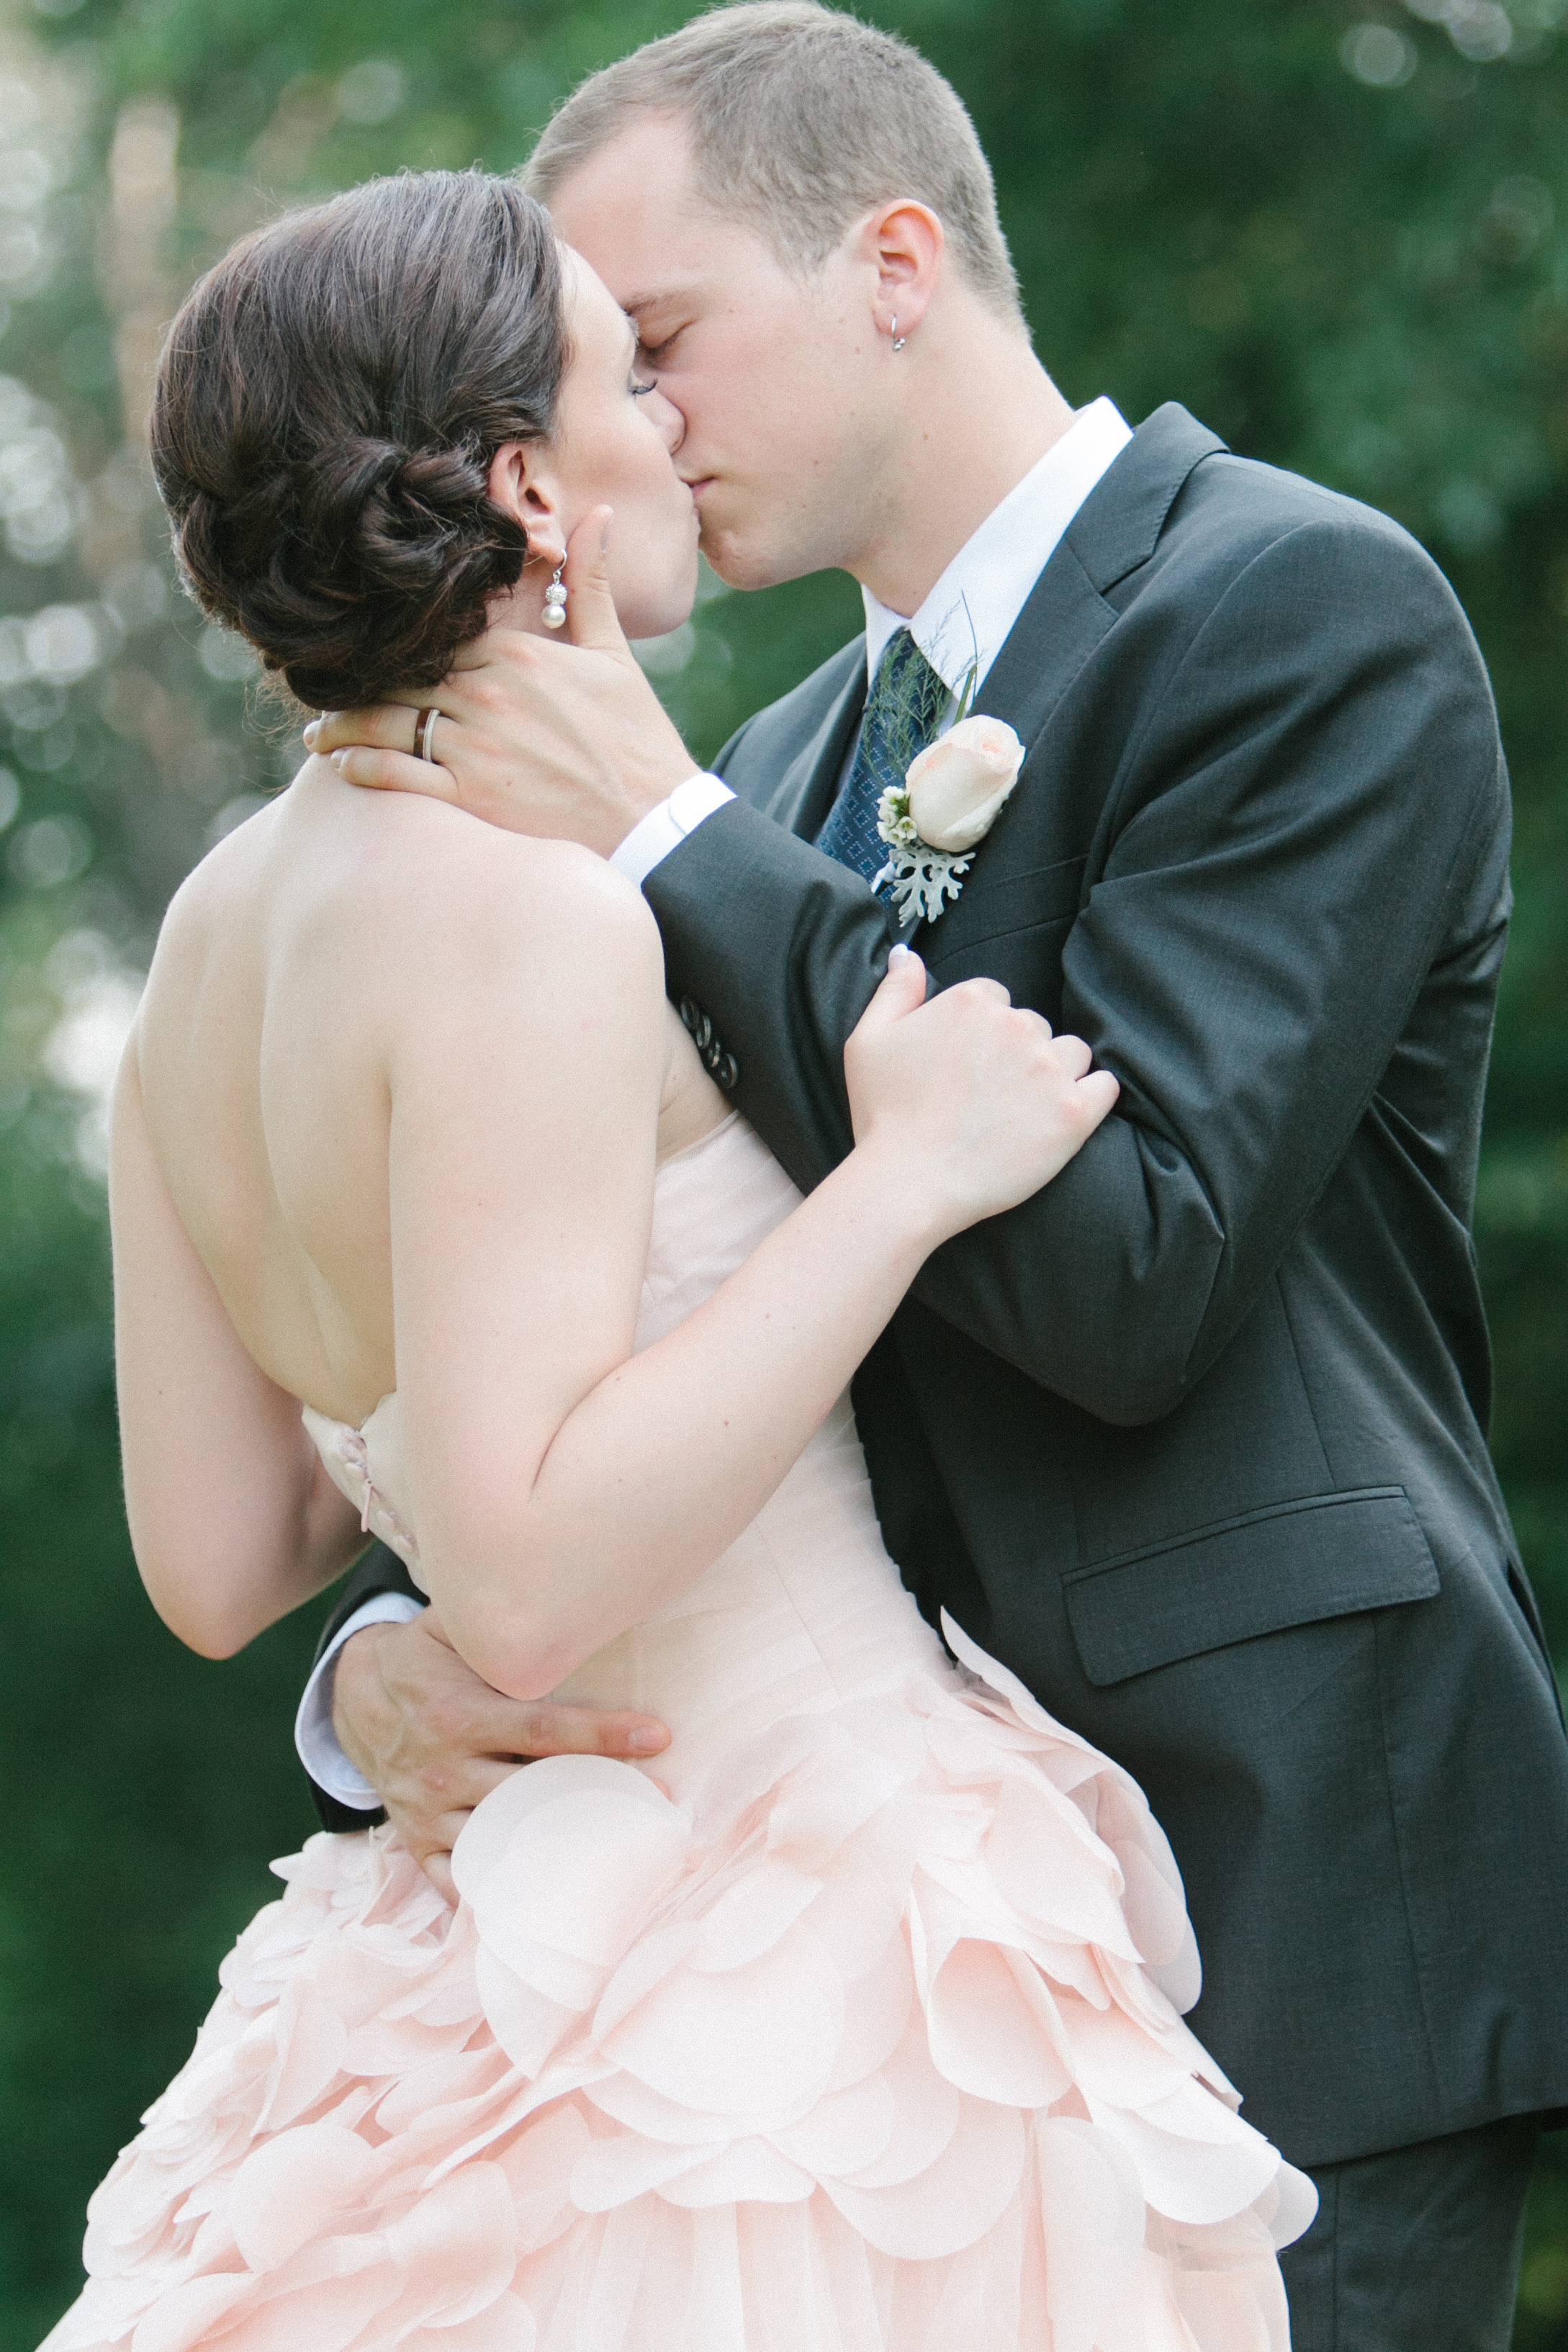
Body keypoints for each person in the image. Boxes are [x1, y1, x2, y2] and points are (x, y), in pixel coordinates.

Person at [302, 6, 1568, 2348]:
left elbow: (1134, 1276)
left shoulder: (1297, 610)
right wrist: (386, 1653)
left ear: (894, 257)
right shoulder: (764, 773)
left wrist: (665, 834)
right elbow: (615, 1324)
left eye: (660, 343)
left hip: (1284, 1880)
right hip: (869, 1979)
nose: (631, 435)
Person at [42, 166, 1317, 2352]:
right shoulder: (532, 917)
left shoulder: (208, 939)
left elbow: (217, 1549)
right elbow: (529, 1586)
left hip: (481, 1938)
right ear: (533, 485)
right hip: (793, 1932)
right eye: (626, 373)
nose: (673, 422)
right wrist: (895, 1189)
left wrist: (369, 1660)